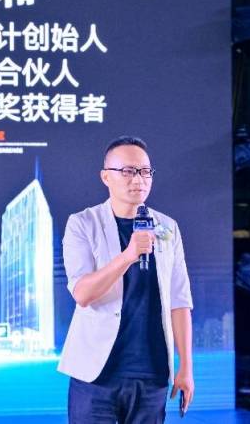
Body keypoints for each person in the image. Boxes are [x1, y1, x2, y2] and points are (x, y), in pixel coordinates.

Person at [58, 135, 194, 424]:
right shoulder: (83, 223)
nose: (138, 179)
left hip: (152, 374)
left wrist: (186, 368)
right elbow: (82, 294)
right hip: (96, 375)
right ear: (106, 177)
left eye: (145, 171)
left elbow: (180, 300)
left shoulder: (167, 227)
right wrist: (129, 255)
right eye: (128, 171)